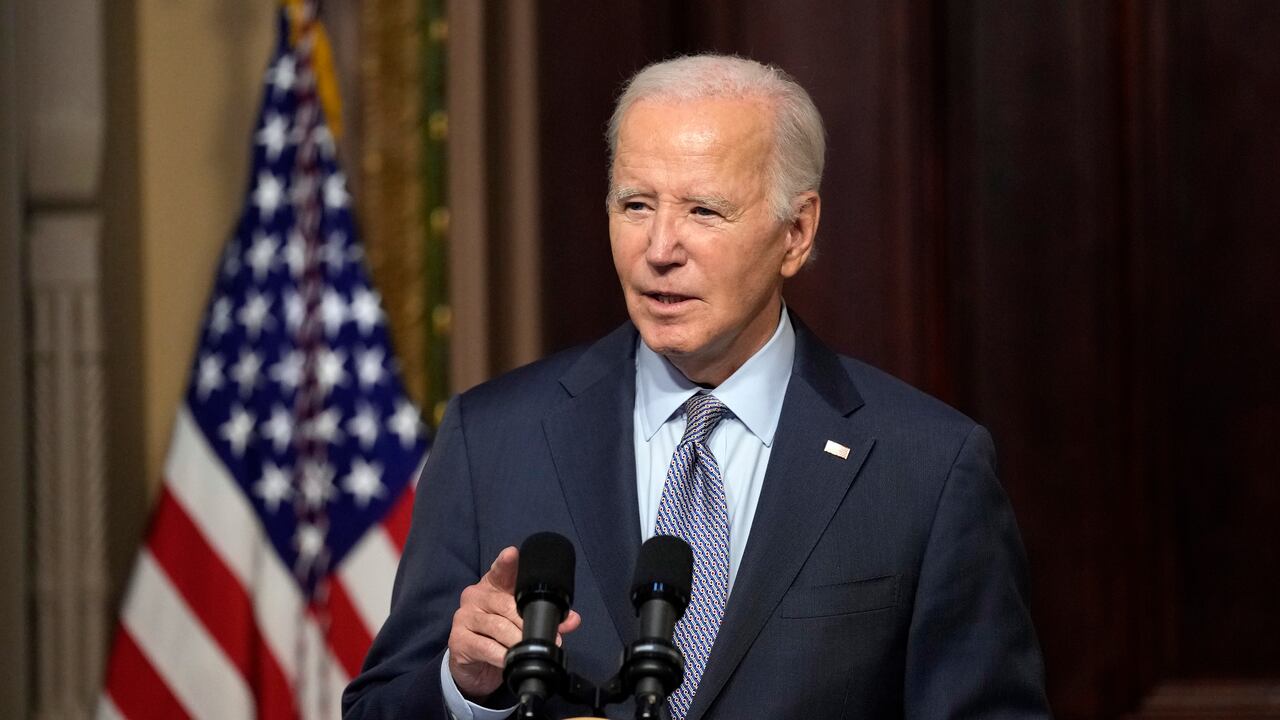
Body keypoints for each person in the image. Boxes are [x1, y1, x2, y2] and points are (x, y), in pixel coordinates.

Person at [343, 54, 1050, 720]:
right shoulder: (490, 439)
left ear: (796, 232)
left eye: (704, 211)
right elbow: (378, 707)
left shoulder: (925, 468)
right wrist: (463, 687)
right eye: (636, 205)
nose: (659, 249)